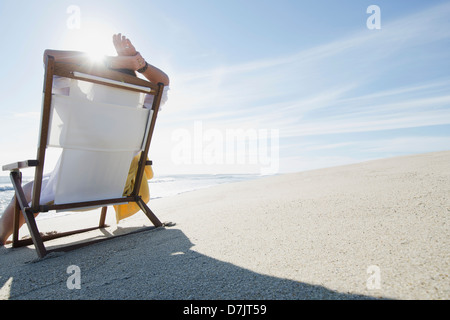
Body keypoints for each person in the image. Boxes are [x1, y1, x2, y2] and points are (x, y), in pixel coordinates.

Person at [0, 34, 169, 245]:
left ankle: (0, 238)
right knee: (43, 181)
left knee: (26, 191)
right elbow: (163, 82)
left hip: (69, 190)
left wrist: (116, 61)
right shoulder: (141, 115)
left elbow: (49, 57)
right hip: (113, 187)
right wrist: (137, 62)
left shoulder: (77, 106)